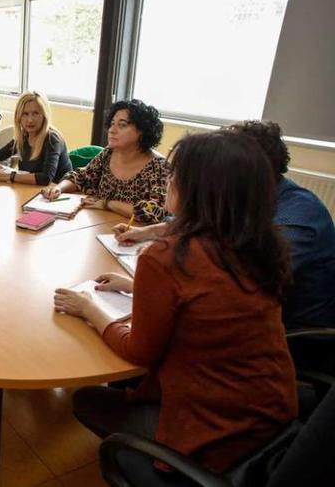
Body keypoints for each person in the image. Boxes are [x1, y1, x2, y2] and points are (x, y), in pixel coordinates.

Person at [55, 131, 297, 480]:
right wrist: (136, 288)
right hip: (273, 415)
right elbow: (205, 305)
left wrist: (89, 306)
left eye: (174, 174)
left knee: (86, 400)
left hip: (216, 432)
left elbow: (138, 351)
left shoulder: (168, 257)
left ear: (200, 190)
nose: (167, 179)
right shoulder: (256, 245)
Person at [113, 120, 335, 331]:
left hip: (287, 334)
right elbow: (204, 224)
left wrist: (153, 281)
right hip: (237, 318)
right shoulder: (246, 198)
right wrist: (148, 233)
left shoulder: (298, 217)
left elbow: (243, 285)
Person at [45, 99, 169, 223]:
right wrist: (59, 188)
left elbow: (156, 212)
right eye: (112, 123)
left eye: (122, 125)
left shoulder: (159, 167)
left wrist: (107, 204)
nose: (112, 130)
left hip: (135, 234)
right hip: (98, 226)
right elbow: (82, 177)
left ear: (142, 132)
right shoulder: (109, 152)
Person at [0, 91, 71, 186]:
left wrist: (10, 176)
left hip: (57, 194)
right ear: (19, 117)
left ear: (44, 116)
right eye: (25, 114)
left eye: (35, 113)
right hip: (32, 191)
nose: (30, 120)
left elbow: (46, 178)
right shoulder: (24, 136)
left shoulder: (53, 139)